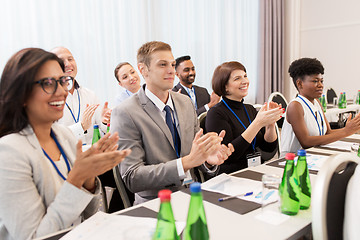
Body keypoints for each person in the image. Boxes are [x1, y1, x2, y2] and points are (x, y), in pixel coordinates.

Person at [0, 48, 131, 240]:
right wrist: (76, 179)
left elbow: (89, 216)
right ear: (22, 93)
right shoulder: (9, 152)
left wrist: (88, 178)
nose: (62, 91)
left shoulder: (63, 136)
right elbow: (33, 237)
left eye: (62, 81)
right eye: (48, 83)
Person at [111, 41, 234, 204]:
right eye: (162, 64)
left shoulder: (185, 102)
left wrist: (208, 159)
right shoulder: (124, 112)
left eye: (173, 64)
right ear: (143, 70)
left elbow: (196, 157)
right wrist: (186, 163)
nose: (171, 70)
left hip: (195, 195)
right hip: (156, 203)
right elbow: (132, 177)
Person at [205, 61, 283, 174]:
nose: (245, 81)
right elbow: (228, 155)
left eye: (245, 76)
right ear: (225, 87)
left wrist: (270, 124)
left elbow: (268, 148)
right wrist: (257, 123)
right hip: (232, 174)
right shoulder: (216, 113)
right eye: (237, 78)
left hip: (256, 169)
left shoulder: (249, 109)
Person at [280, 58, 360, 156]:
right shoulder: (295, 106)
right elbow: (306, 142)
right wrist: (345, 131)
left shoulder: (317, 102)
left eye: (321, 81)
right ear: (300, 84)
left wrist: (350, 129)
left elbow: (328, 133)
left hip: (313, 154)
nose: (321, 85)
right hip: (292, 160)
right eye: (315, 81)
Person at [51, 47, 112, 145]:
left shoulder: (90, 95)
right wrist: (81, 127)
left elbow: (103, 131)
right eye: (61, 61)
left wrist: (105, 122)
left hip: (92, 155)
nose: (68, 64)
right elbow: (51, 136)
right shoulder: (50, 100)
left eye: (70, 59)